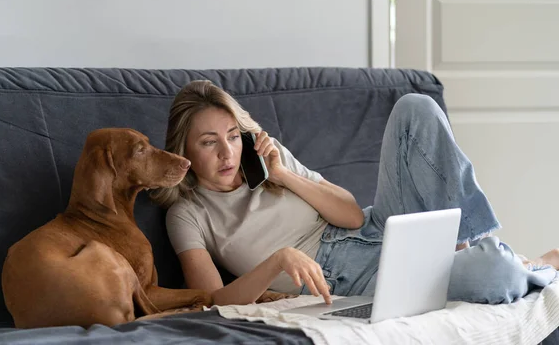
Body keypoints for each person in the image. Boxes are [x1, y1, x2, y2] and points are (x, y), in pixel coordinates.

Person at [151, 80, 558, 307]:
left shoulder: (267, 156)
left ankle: (465, 243)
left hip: (375, 229)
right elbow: (215, 301)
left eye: (231, 136)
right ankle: (532, 263)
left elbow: (353, 216)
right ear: (182, 150)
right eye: (208, 143)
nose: (227, 153)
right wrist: (279, 260)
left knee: (415, 107)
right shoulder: (187, 215)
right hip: (351, 276)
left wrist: (283, 175)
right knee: (497, 275)